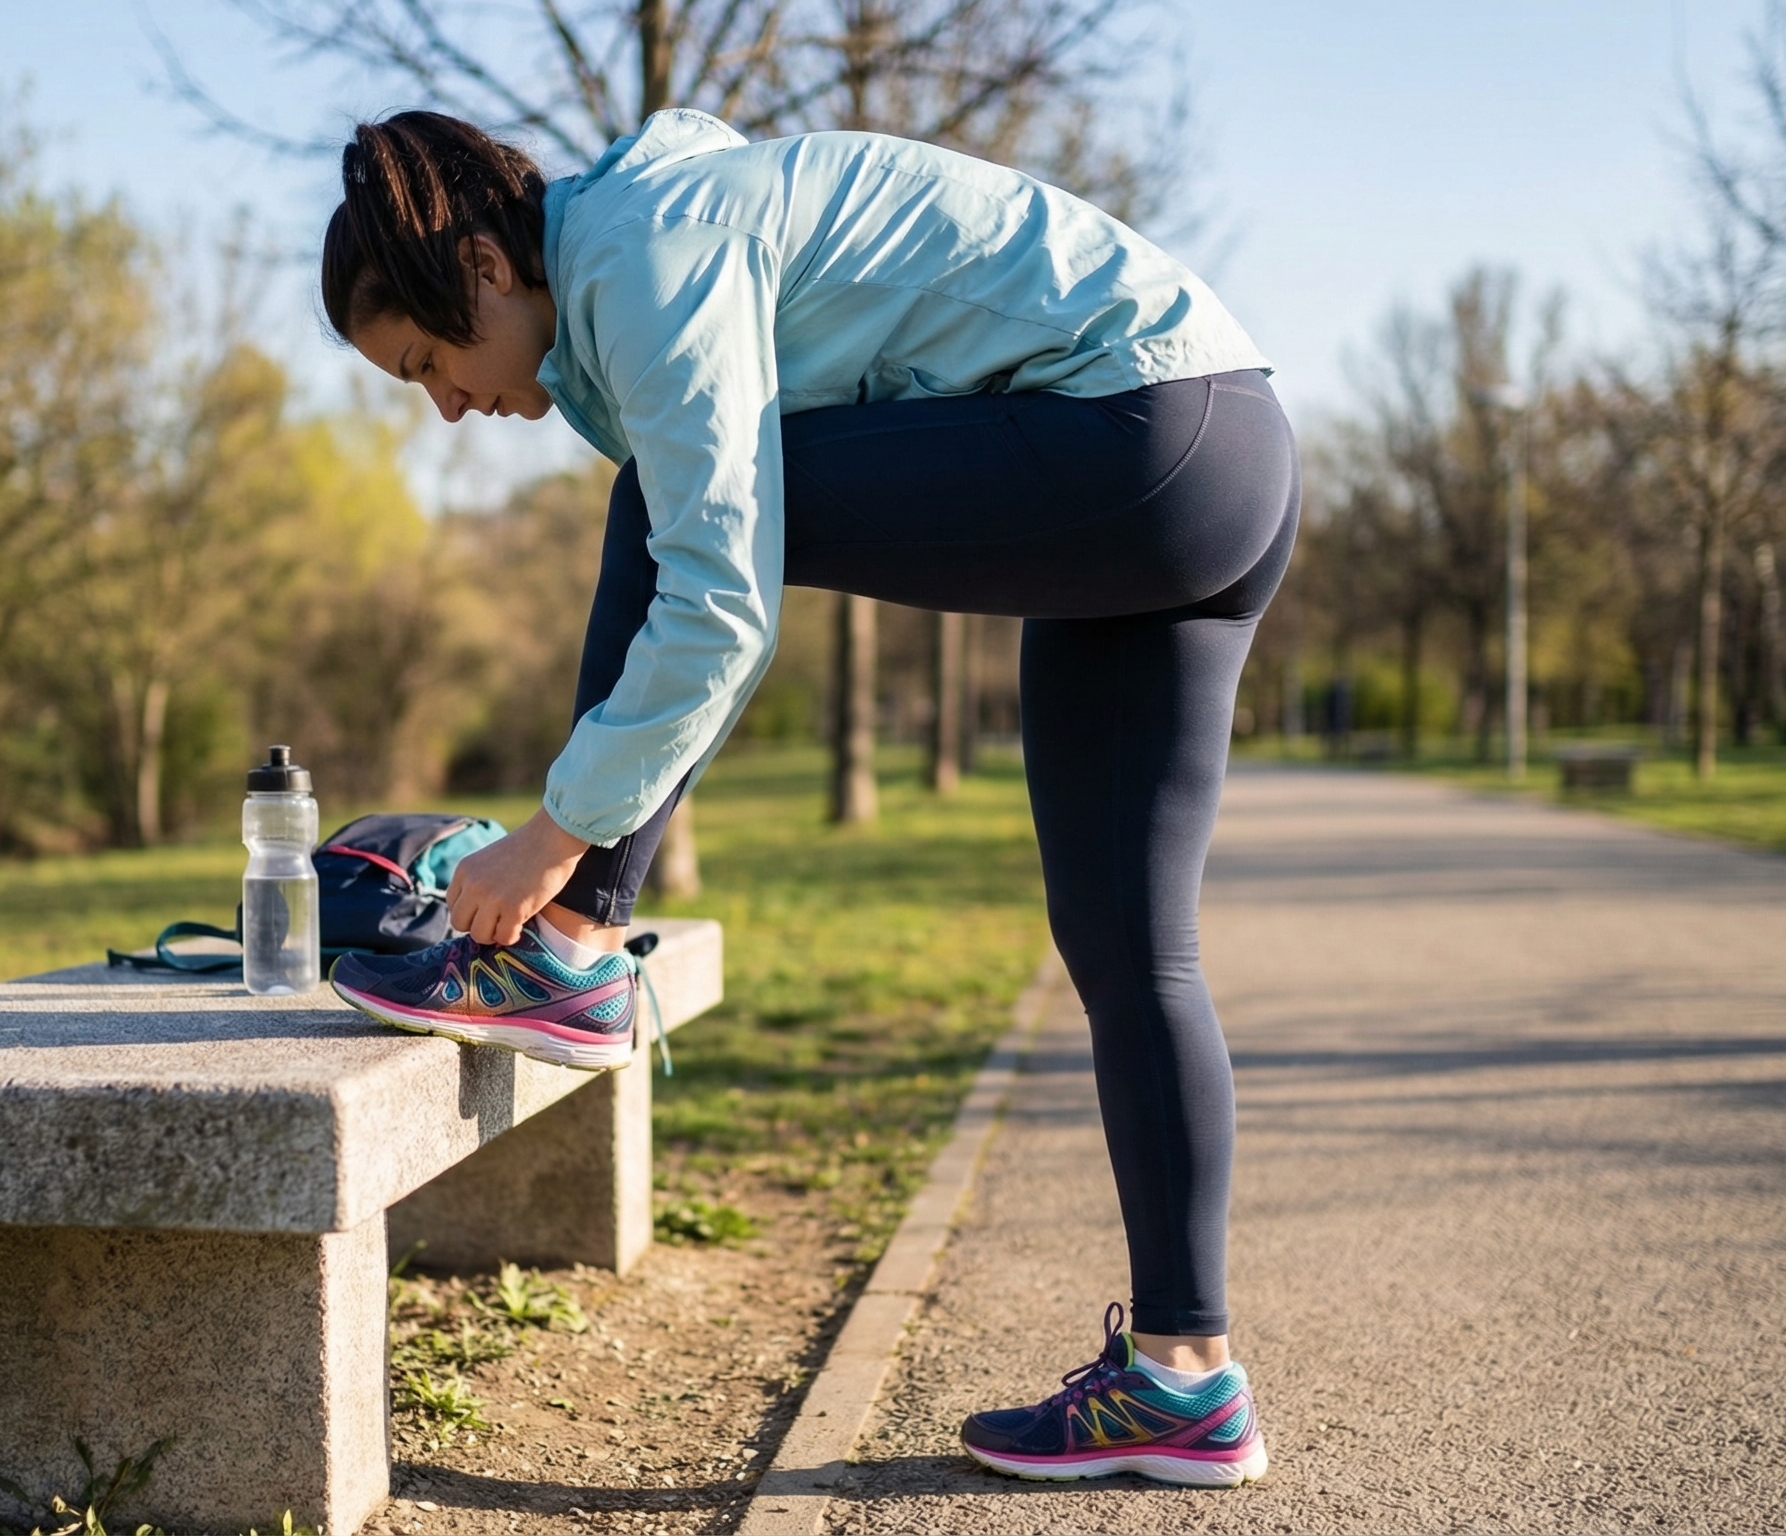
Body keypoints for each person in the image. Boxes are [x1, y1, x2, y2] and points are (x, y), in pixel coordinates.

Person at [322, 108, 1293, 1488]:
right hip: (1215, 445)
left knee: (661, 515)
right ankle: (1183, 1380)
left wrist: (555, 842)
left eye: (429, 362)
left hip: (1135, 431)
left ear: (482, 267)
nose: (446, 403)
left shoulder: (647, 253)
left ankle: (574, 949)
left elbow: (720, 603)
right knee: (1134, 951)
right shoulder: (657, 244)